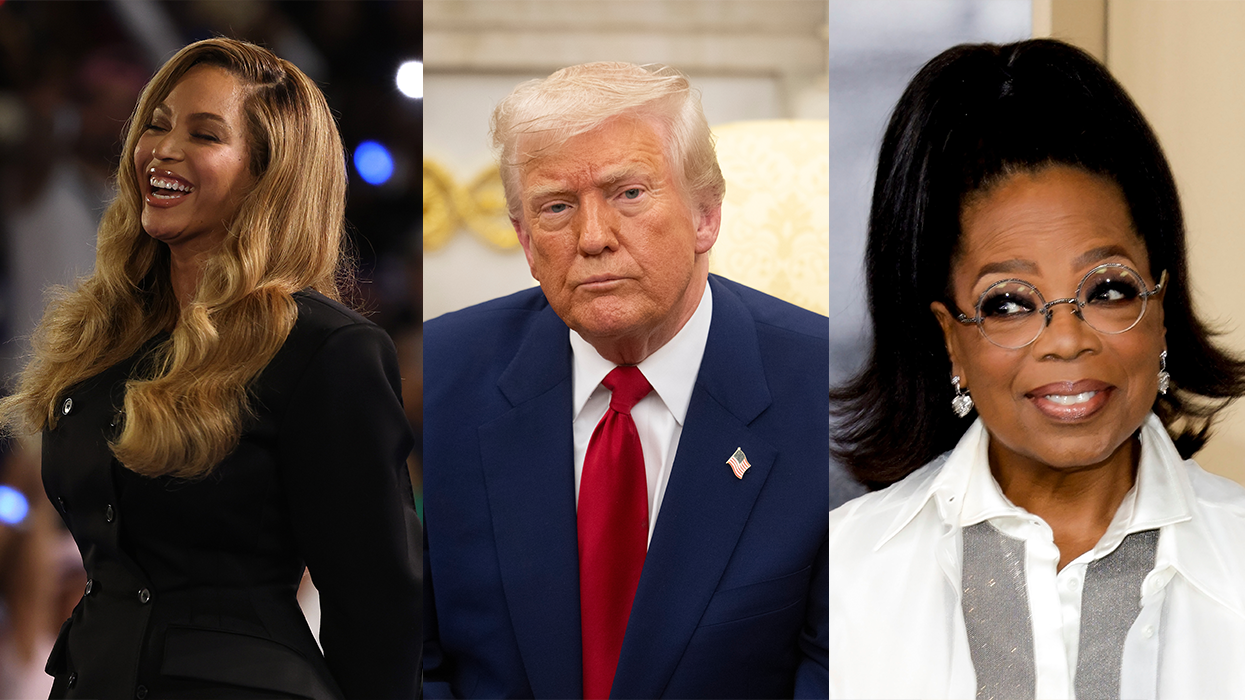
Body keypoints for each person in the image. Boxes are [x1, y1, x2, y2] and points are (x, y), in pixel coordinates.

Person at [0, 38, 421, 699]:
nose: (163, 149)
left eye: (204, 134)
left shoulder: (324, 348)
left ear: (267, 173)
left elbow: (377, 604)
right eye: (157, 124)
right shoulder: (101, 339)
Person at [828, 39, 1245, 699]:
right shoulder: (842, 574)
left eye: (1107, 289)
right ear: (949, 338)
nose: (1066, 340)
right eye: (1007, 304)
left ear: (1160, 302)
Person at [422, 62, 831, 698]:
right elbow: (411, 659)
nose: (592, 238)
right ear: (527, 243)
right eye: (556, 207)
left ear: (706, 215)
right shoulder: (442, 374)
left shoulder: (824, 387)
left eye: (629, 194)